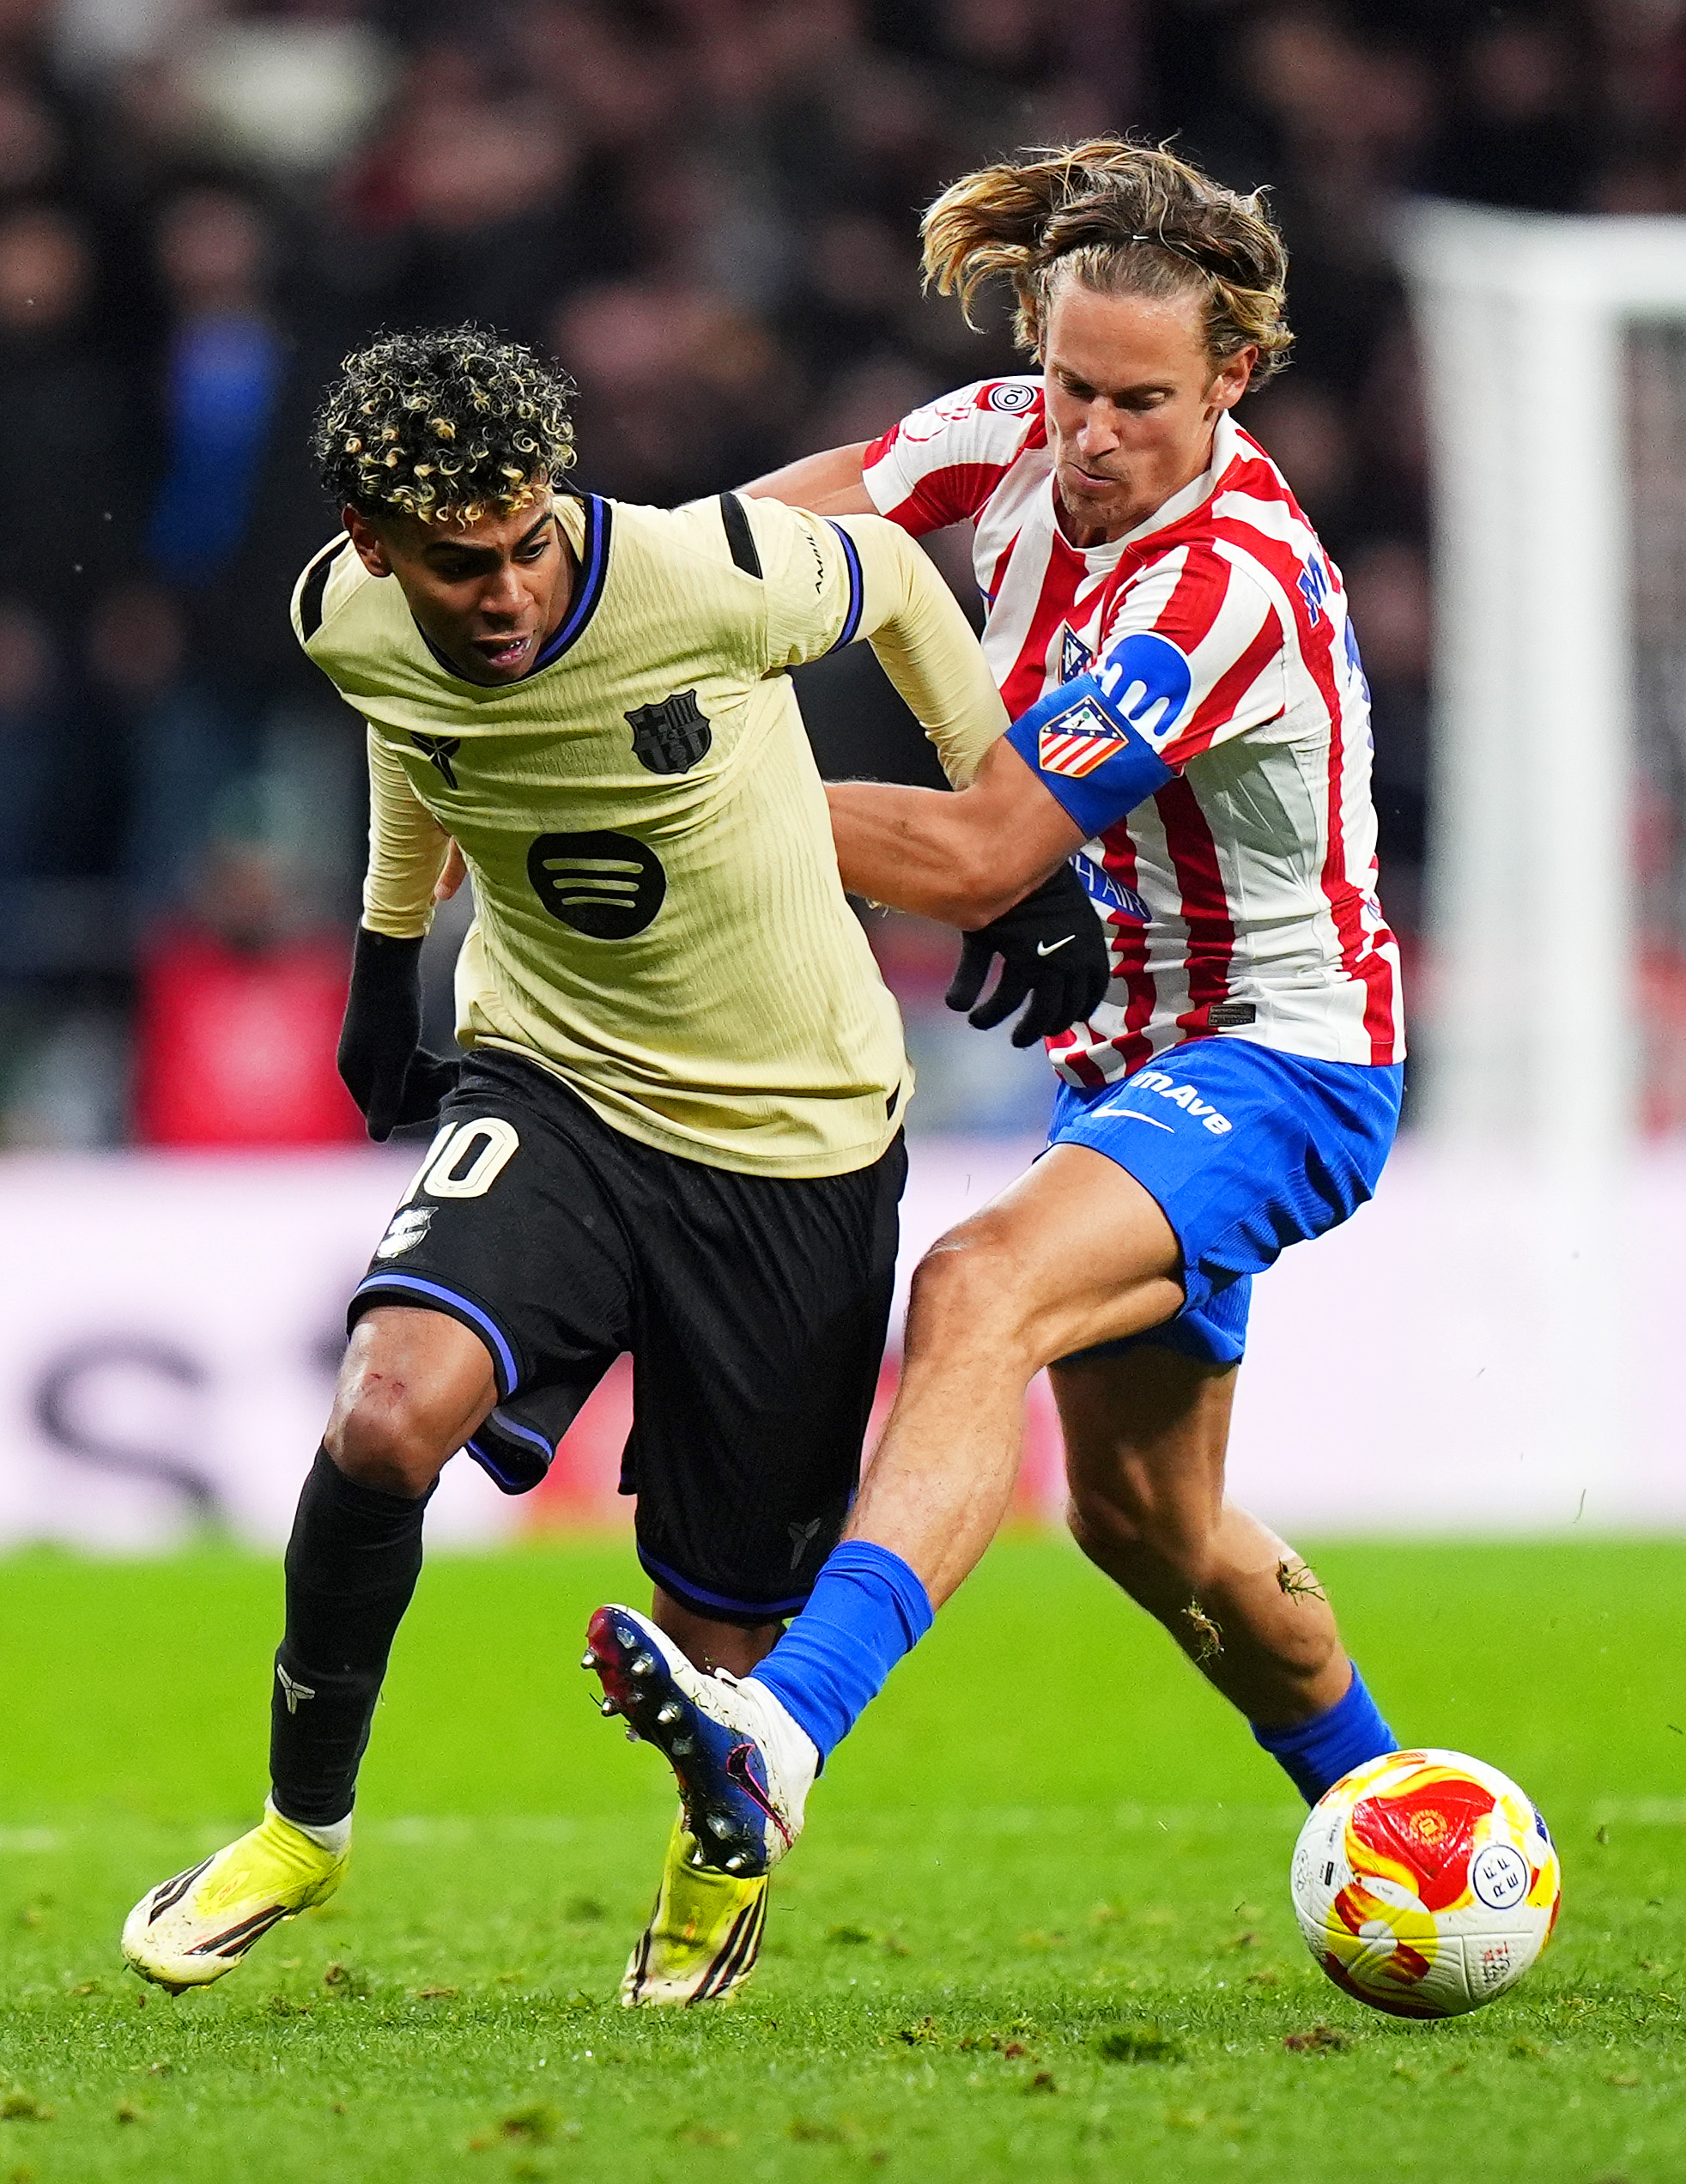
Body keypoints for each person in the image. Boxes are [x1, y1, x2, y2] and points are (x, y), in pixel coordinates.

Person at [118, 325, 1107, 2007]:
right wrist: (381, 959)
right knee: (383, 1412)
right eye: (457, 567)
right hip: (556, 1077)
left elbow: (883, 569)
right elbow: (415, 731)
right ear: (374, 550)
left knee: (714, 1623)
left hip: (795, 1133)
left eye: (526, 547)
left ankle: (716, 1864)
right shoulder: (339, 616)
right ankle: (300, 1826)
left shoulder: (697, 572)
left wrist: (1010, 831)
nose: (503, 593)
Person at [583, 143, 1408, 1896]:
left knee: (972, 1288)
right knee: (1146, 1524)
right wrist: (559, 619)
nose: (1091, 436)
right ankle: (1397, 1806)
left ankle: (779, 1730)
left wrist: (691, 790)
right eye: (1068, 387)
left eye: (1139, 403)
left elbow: (974, 856)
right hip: (1127, 1067)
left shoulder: (1221, 586)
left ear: (1232, 383)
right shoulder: (1004, 442)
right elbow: (717, 559)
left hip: (1283, 1058)